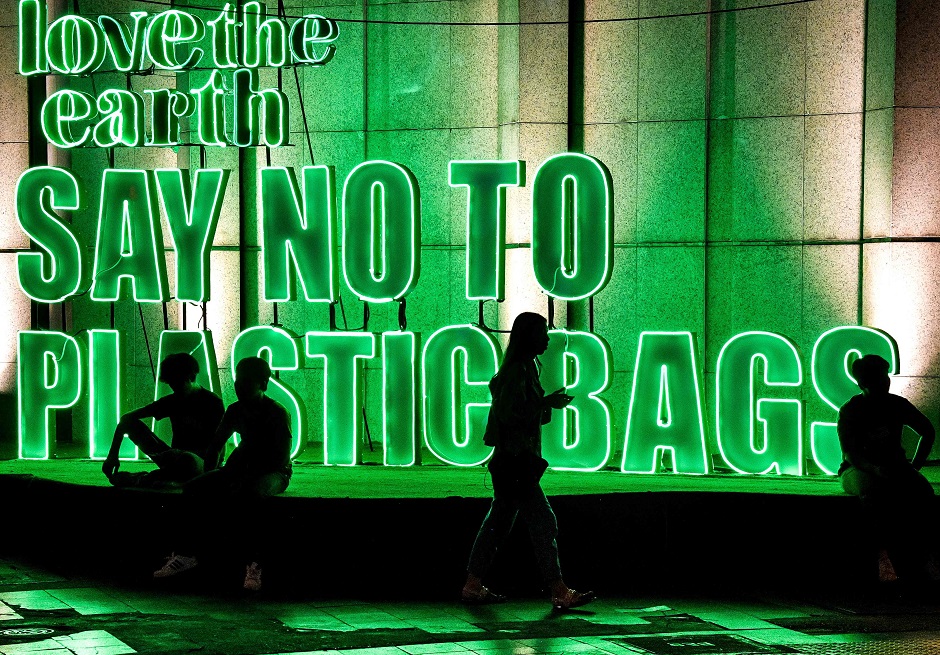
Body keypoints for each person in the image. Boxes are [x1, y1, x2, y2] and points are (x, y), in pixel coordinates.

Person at [462, 312, 594, 610]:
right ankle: (558, 590)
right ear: (528, 337)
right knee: (542, 520)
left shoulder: (524, 369)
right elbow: (511, 416)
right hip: (516, 461)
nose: (547, 338)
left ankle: (473, 584)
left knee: (498, 524)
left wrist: (543, 405)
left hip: (513, 461)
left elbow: (520, 413)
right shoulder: (517, 372)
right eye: (542, 333)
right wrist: (545, 403)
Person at [152, 356, 294, 591]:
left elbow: (280, 459)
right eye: (238, 379)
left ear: (263, 384)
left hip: (274, 472)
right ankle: (187, 555)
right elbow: (216, 445)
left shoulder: (277, 413)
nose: (239, 385)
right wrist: (209, 476)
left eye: (246, 380)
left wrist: (239, 476)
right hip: (242, 468)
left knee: (251, 495)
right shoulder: (235, 410)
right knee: (193, 488)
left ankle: (254, 564)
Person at [837, 353, 936, 584]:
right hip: (856, 470)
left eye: (885, 377)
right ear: (863, 383)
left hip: (884, 468)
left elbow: (928, 431)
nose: (885, 382)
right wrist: (900, 468)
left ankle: (907, 564)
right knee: (876, 495)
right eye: (879, 378)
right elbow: (851, 455)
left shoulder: (890, 405)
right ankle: (897, 564)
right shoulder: (853, 410)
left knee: (922, 494)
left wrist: (914, 467)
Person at [102, 353, 224, 487]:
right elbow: (126, 419)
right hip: (174, 458)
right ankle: (162, 478)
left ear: (192, 377)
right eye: (171, 384)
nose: (175, 388)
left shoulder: (212, 402)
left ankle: (147, 478)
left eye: (178, 383)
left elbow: (218, 449)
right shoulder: (173, 401)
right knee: (130, 424)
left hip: (202, 463)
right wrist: (112, 455)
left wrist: (183, 455)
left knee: (187, 460)